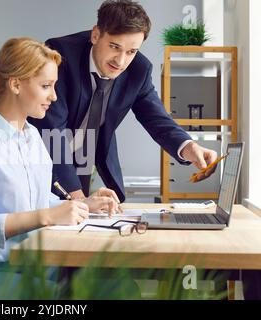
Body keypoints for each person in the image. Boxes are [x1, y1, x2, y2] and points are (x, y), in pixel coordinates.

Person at [0, 37, 123, 300]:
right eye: (46, 86)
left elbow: (33, 201)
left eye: (54, 86)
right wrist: (48, 216)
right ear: (15, 84)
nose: (54, 96)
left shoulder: (31, 136)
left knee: (119, 288)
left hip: (32, 267)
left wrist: (82, 204)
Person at [29, 0, 218, 201]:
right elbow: (51, 131)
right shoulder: (61, 55)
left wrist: (189, 147)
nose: (120, 61)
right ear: (95, 35)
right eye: (114, 47)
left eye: (131, 52)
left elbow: (157, 119)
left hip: (83, 164)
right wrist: (78, 199)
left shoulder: (139, 70)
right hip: (42, 162)